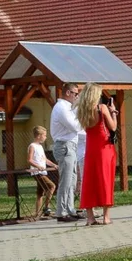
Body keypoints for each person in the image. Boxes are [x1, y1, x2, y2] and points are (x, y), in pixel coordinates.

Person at [76, 84, 118, 226]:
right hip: (104, 147)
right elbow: (113, 127)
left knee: (89, 180)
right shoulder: (102, 108)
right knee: (105, 179)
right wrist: (113, 113)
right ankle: (106, 217)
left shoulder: (82, 111)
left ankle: (90, 217)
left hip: (90, 148)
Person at [49, 82, 83, 222]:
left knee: (72, 180)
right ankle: (61, 212)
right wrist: (82, 117)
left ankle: (69, 209)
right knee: (66, 180)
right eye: (75, 93)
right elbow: (75, 126)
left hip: (71, 146)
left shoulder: (68, 107)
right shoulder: (62, 107)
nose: (76, 96)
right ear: (67, 93)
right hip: (65, 146)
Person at [27, 125, 57, 221]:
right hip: (37, 173)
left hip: (43, 172)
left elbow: (45, 159)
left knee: (40, 193)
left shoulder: (40, 146)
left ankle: (37, 213)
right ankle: (46, 208)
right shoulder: (32, 146)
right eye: (44, 135)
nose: (45, 137)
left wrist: (53, 165)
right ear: (39, 135)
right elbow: (30, 160)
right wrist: (37, 166)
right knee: (52, 186)